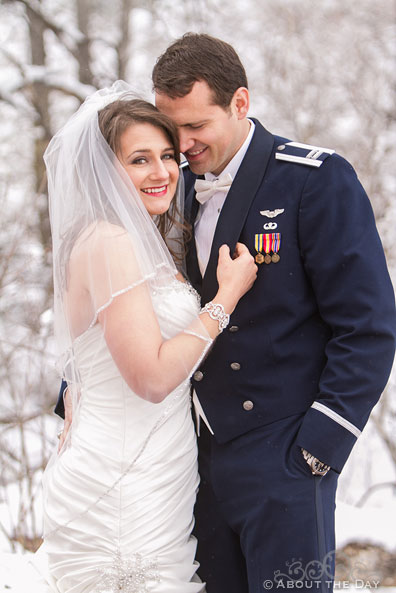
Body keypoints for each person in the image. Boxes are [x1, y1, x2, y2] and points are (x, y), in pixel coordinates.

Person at [150, 33, 396, 593]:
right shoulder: (169, 186)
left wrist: (318, 449)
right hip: (196, 460)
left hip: (287, 454)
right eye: (173, 129)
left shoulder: (315, 179)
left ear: (240, 103)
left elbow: (369, 327)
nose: (183, 144)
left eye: (196, 126)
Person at [28, 82, 257, 593]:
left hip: (157, 475)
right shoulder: (109, 242)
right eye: (139, 160)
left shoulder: (133, 239)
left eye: (167, 156)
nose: (161, 172)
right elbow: (151, 378)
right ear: (105, 170)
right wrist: (226, 300)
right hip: (122, 485)